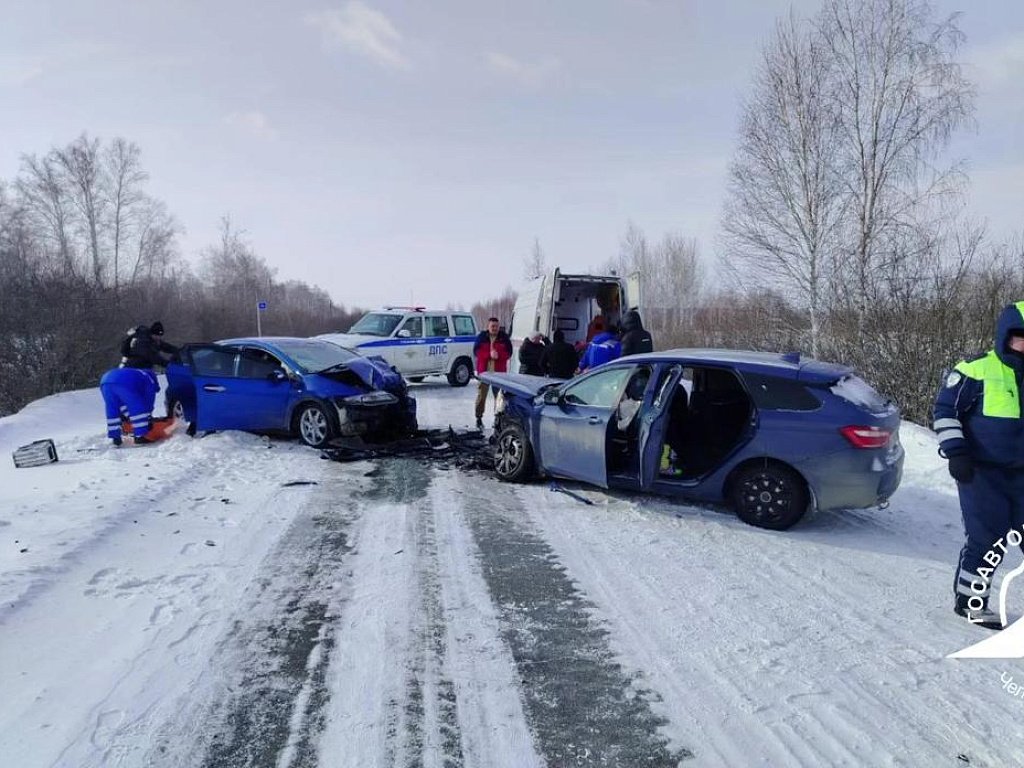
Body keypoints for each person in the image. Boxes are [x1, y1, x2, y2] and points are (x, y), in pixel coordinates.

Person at [933, 301, 1024, 630]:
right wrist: (956, 452)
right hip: (981, 471)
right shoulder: (975, 370)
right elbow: (945, 411)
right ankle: (970, 603)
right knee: (988, 539)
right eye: (1019, 338)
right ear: (1005, 337)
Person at [99, 366, 161, 445]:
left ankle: (116, 438)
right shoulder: (150, 381)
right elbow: (148, 402)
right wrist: (148, 418)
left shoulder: (137, 374)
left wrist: (128, 416)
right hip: (123, 382)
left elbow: (123, 404)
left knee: (113, 409)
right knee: (138, 408)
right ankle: (140, 437)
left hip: (105, 382)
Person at [473, 317, 512, 429]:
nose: (494, 328)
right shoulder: (482, 337)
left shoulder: (504, 338)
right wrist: (488, 355)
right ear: (488, 326)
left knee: (499, 397)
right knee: (481, 396)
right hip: (484, 373)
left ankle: (497, 418)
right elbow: (477, 352)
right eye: (492, 326)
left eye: (496, 326)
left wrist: (499, 355)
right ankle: (479, 418)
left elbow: (509, 353)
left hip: (499, 374)